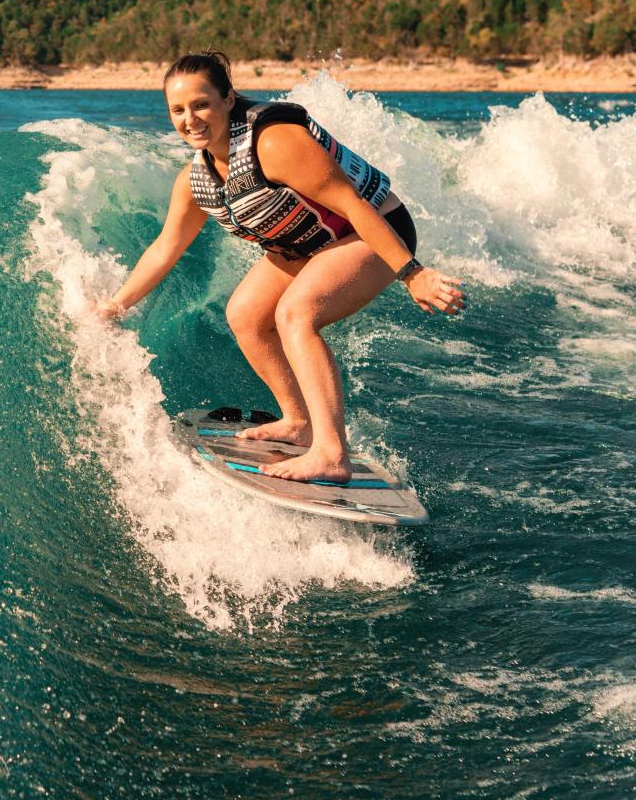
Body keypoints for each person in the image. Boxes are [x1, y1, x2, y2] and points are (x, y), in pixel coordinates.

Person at [96, 52, 464, 482]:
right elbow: (165, 248)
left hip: (374, 230)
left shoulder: (274, 143)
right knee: (246, 315)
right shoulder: (195, 181)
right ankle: (299, 422)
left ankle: (331, 453)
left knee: (296, 314)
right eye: (177, 110)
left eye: (201, 104)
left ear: (228, 99)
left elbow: (352, 204)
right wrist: (113, 307)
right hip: (309, 243)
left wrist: (412, 274)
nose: (190, 119)